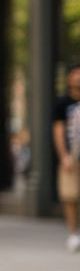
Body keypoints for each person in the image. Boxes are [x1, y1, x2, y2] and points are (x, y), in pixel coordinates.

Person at [53, 62, 80, 253]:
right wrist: (63, 155)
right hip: (71, 157)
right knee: (70, 196)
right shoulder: (63, 103)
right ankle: (73, 233)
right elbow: (58, 130)